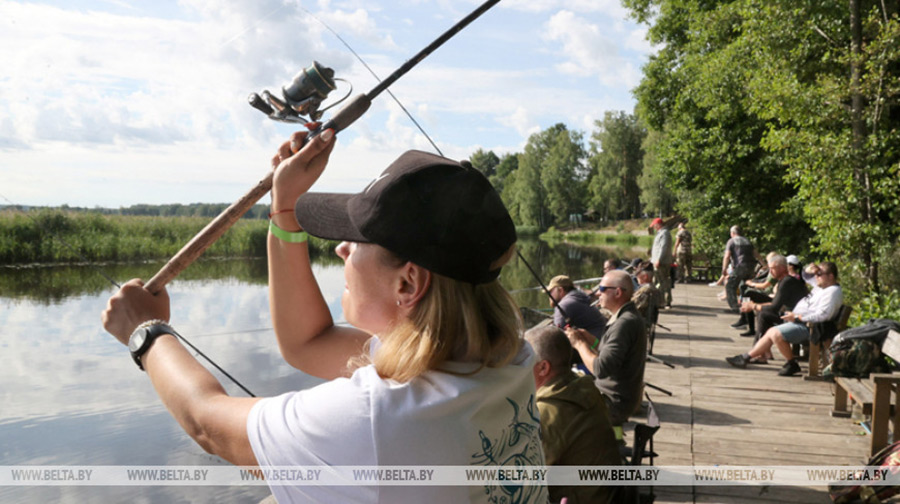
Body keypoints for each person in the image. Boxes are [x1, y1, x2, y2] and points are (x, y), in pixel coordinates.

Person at [101, 129, 548, 503]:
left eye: (356, 239)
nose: (341, 248)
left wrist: (145, 331)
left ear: (408, 283)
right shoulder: (508, 357)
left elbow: (207, 423)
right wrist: (284, 209)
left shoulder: (380, 418)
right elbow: (306, 341)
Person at [525, 325, 620, 504]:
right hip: (606, 494)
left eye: (523, 361)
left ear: (543, 367)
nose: (519, 369)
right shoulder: (583, 387)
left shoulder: (549, 412)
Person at [726, 261, 843, 376]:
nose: (816, 276)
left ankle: (791, 363)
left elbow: (823, 315)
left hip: (812, 328)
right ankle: (746, 357)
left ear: (831, 276)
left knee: (776, 334)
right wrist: (810, 269)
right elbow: (806, 276)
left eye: (819, 274)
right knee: (770, 332)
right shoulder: (822, 286)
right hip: (801, 322)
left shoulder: (832, 292)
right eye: (816, 274)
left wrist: (797, 317)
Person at [566, 270, 647, 428]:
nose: (597, 293)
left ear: (617, 292)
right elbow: (613, 359)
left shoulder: (624, 323)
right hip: (620, 397)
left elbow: (600, 368)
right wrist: (592, 341)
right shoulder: (627, 317)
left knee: (559, 406)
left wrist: (578, 344)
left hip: (613, 402)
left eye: (602, 289)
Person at [549, 274, 607, 339]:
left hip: (595, 344)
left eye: (550, 292)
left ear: (560, 290)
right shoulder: (579, 296)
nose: (549, 295)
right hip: (602, 336)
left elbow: (557, 337)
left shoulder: (564, 305)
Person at [721, 225, 760, 313]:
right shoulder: (747, 241)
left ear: (732, 233)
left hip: (740, 267)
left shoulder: (731, 241)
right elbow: (756, 254)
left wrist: (724, 268)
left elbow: (727, 256)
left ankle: (734, 308)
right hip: (751, 267)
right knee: (745, 287)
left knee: (730, 286)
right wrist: (764, 264)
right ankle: (745, 307)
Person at [649, 218, 673, 308]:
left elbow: (664, 247)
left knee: (663, 282)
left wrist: (658, 259)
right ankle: (659, 301)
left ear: (658, 225)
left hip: (662, 262)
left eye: (654, 226)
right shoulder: (661, 233)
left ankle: (666, 301)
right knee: (657, 282)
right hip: (657, 262)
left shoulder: (664, 233)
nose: (654, 228)